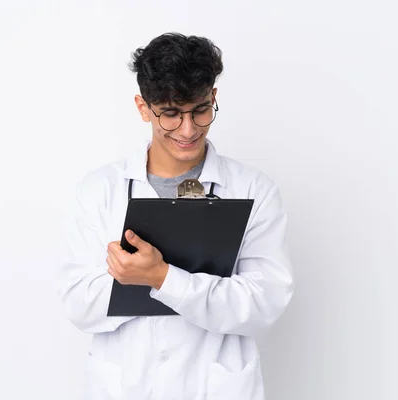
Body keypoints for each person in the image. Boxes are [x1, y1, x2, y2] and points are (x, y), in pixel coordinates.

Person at [57, 32, 294, 400]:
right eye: (170, 114)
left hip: (214, 387)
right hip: (125, 386)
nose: (189, 129)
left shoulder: (254, 190)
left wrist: (162, 277)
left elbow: (263, 303)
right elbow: (78, 303)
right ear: (142, 107)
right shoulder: (99, 190)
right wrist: (157, 280)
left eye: (200, 109)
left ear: (213, 97)